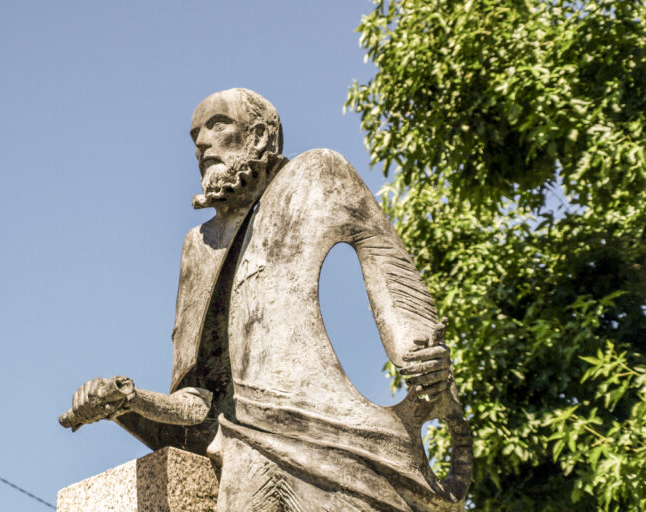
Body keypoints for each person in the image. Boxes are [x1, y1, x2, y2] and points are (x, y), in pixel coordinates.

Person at [60, 88, 472, 511]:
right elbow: (197, 404)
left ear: (259, 135)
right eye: (194, 135)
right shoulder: (198, 246)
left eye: (217, 125)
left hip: (338, 438)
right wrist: (128, 400)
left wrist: (421, 357)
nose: (202, 142)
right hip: (247, 450)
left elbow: (389, 267)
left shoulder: (318, 175)